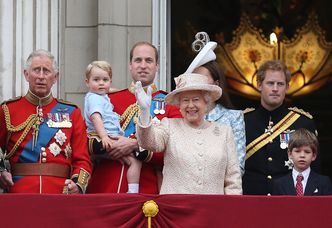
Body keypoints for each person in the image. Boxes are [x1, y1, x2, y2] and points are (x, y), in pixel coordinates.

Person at [87, 42, 182, 194]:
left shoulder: (170, 104)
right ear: (130, 65)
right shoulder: (109, 99)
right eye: (138, 60)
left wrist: (135, 145)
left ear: (157, 66)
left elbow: (176, 151)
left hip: (147, 190)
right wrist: (108, 148)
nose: (143, 65)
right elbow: (86, 139)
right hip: (105, 186)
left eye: (149, 61)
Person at [0, 49, 92, 194]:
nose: (41, 76)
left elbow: (82, 159)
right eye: (36, 70)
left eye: (46, 71)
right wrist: (2, 171)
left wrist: (78, 184)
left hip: (60, 192)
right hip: (19, 192)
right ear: (26, 74)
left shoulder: (72, 112)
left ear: (55, 77)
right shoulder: (8, 110)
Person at [135, 73, 242, 194]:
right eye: (185, 100)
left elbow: (233, 179)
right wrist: (144, 112)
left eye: (196, 99)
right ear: (179, 105)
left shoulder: (224, 132)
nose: (190, 105)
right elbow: (149, 142)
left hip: (212, 209)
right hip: (176, 209)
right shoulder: (169, 125)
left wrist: (231, 208)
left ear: (206, 102)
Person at [243, 60, 318, 195]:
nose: (275, 89)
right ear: (259, 85)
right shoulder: (243, 121)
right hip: (251, 198)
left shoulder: (302, 122)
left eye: (280, 84)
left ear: (287, 87)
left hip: (289, 198)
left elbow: (314, 171)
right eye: (270, 83)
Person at [186, 40, 246, 175]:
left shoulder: (234, 118)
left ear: (216, 83)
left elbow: (238, 167)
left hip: (221, 191)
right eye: (194, 79)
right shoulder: (181, 116)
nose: (199, 84)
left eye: (203, 78)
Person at [84, 60, 142, 193]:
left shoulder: (101, 95)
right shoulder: (95, 98)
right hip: (105, 138)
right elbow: (96, 117)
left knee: (126, 158)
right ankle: (133, 191)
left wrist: (127, 91)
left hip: (108, 137)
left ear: (110, 81)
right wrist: (104, 137)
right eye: (96, 80)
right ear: (87, 82)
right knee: (135, 161)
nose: (101, 83)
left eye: (105, 80)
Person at [273, 128, 332, 196]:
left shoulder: (323, 182)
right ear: (290, 154)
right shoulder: (279, 184)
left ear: (314, 156)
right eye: (297, 151)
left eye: (307, 152)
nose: (302, 155)